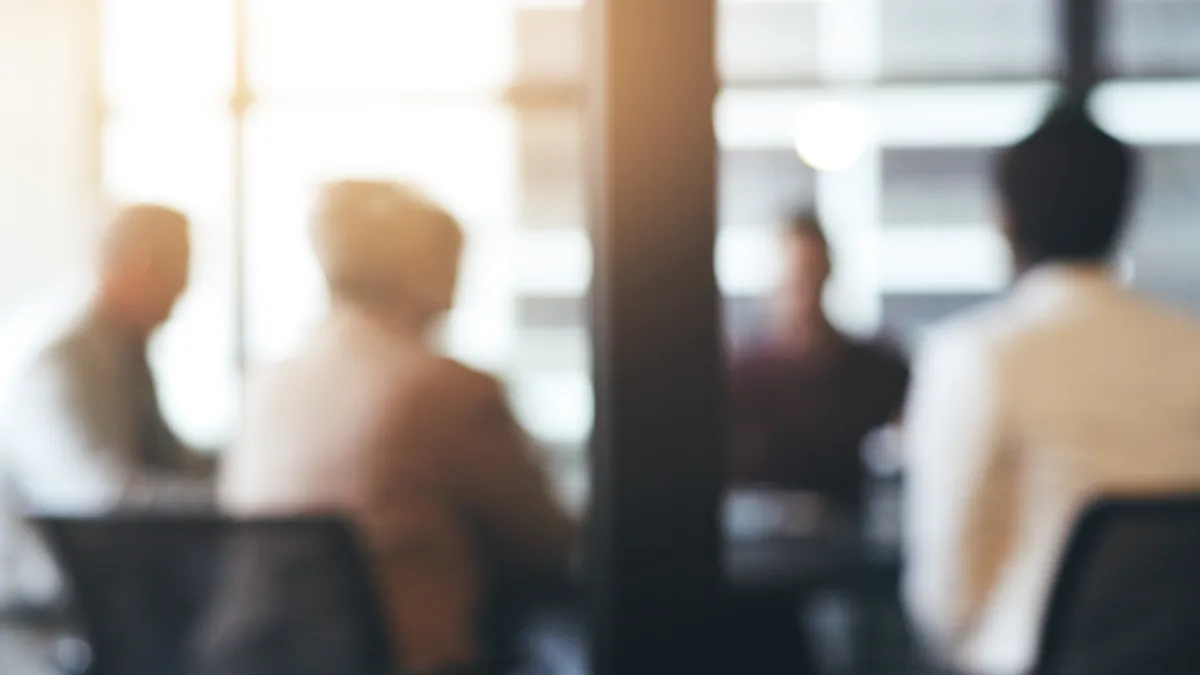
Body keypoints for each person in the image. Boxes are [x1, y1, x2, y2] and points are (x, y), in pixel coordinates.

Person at [219, 181, 576, 673]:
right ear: (420, 268)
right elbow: (548, 543)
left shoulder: (265, 385)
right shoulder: (447, 388)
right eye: (452, 258)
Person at [902, 96, 1200, 675]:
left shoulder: (977, 354)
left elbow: (942, 600)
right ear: (1124, 210)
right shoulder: (1191, 348)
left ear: (1006, 217)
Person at [0, 204, 212, 605]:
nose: (186, 288)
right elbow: (102, 500)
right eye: (179, 268)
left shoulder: (123, 349)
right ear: (139, 264)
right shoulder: (55, 360)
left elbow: (169, 459)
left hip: (110, 597)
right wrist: (229, 500)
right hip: (45, 620)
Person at [729, 211, 909, 510]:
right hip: (757, 548)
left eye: (811, 273)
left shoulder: (878, 371)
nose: (803, 291)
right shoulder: (739, 376)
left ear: (828, 273)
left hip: (847, 547)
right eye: (793, 275)